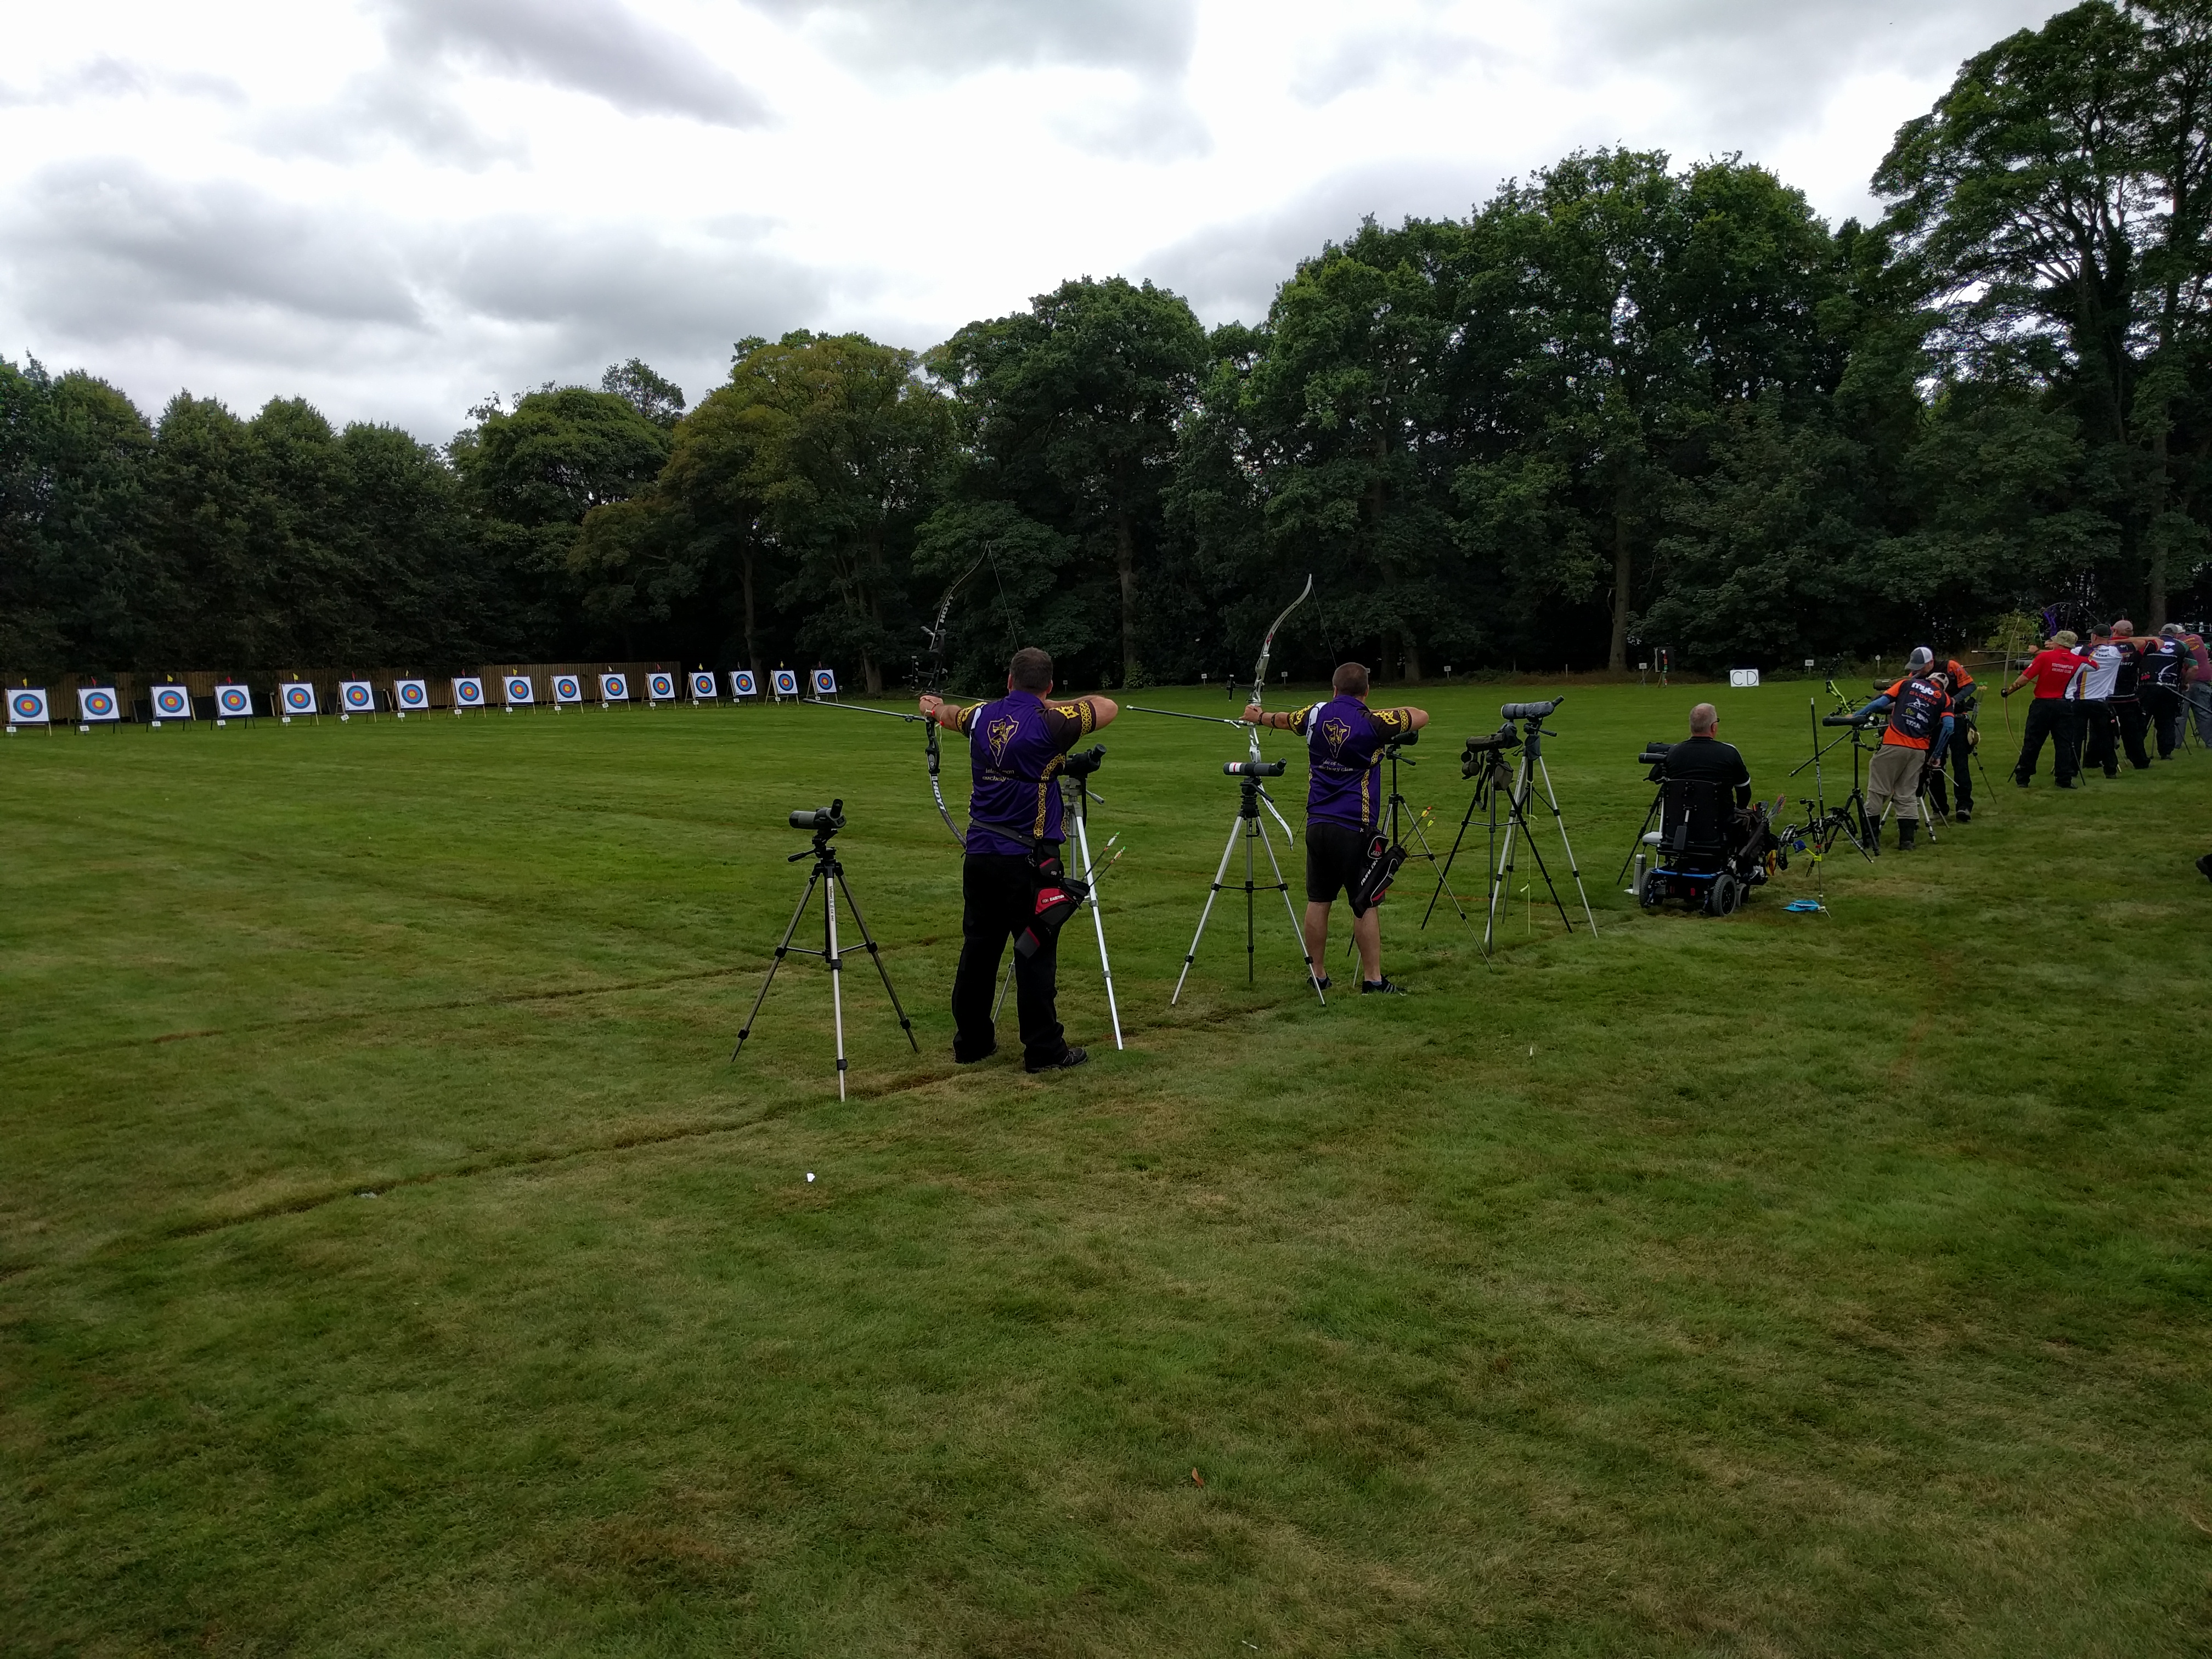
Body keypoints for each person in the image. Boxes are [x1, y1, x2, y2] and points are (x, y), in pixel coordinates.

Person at [921, 647, 1116, 1074]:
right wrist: (1051, 704)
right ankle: (1043, 1050)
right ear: (1049, 686)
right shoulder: (1052, 722)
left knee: (979, 949)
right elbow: (1107, 706)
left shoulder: (980, 716)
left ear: (1009, 680)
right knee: (1034, 950)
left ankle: (972, 1042)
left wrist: (933, 709)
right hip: (1029, 861)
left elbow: (950, 714)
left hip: (980, 854)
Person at [1243, 662, 1429, 995]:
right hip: (1355, 826)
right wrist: (1373, 715)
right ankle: (1373, 979)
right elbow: (1420, 715)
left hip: (1318, 824)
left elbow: (1284, 720)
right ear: (1366, 692)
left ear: (1334, 689)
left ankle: (1318, 974)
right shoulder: (1374, 723)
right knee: (1365, 901)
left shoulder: (1315, 714)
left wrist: (1258, 716)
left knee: (1318, 900)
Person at [1849, 647, 1953, 850]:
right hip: (1919, 751)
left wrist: (1856, 716)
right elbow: (1949, 728)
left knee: (1877, 791)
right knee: (1907, 794)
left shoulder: (1906, 684)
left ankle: (1870, 840)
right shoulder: (1945, 699)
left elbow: (1880, 703)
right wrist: (1936, 755)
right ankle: (1907, 842)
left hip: (1894, 744)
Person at [2000, 630, 2087, 787]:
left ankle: (2023, 778)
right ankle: (2064, 779)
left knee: (2033, 742)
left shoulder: (2044, 657)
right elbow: (2096, 665)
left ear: (2059, 643)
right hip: (2065, 706)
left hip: (2042, 705)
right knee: (2064, 743)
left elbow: (2023, 680)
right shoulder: (2079, 661)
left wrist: (2008, 692)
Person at [1923, 657, 1980, 822]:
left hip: (1957, 719)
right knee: (1934, 765)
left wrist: (1955, 700)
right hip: (1934, 723)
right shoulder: (1917, 674)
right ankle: (1939, 808)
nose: (1919, 671)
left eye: (1922, 667)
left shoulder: (1951, 666)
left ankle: (1964, 806)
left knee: (1960, 764)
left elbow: (1971, 686)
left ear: (1931, 662)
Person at [2075, 623, 2124, 777]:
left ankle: (2071, 770)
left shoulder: (2080, 651)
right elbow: (2140, 643)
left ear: (2094, 636)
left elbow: (2060, 654)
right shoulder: (2115, 652)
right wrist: (2115, 641)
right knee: (2105, 737)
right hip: (2100, 702)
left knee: (2076, 737)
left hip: (2079, 700)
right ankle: (2111, 770)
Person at [2107, 620, 2153, 770]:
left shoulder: (2105, 646)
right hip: (2128, 697)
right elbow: (2158, 642)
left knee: (2101, 730)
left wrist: (2116, 640)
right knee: (2132, 732)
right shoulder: (2136, 646)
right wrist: (2128, 638)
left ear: (2114, 630)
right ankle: (2140, 761)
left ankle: (2094, 760)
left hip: (2107, 696)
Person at [2140, 624, 2188, 758]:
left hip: (2147, 686)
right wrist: (2184, 683)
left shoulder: (2148, 643)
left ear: (2160, 633)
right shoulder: (2182, 646)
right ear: (2176, 634)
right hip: (2170, 688)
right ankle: (2166, 753)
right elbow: (2194, 667)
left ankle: (2136, 750)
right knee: (2167, 720)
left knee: (2141, 719)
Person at [2186, 629, 2212, 747]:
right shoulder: (2196, 640)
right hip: (2202, 683)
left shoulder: (2180, 644)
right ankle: (2210, 743)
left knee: (2180, 716)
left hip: (2184, 684)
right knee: (2204, 714)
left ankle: (2174, 744)